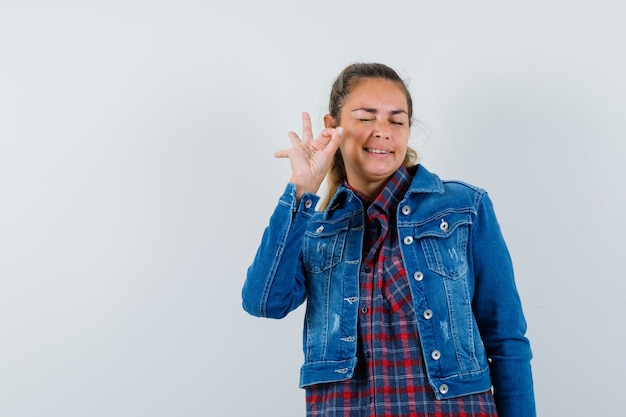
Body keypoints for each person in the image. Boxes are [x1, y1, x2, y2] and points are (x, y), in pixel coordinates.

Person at [242, 63, 535, 417]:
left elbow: (506, 339)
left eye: (397, 121)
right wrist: (302, 189)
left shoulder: (464, 209)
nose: (383, 131)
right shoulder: (314, 228)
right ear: (333, 127)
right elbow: (263, 302)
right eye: (366, 118)